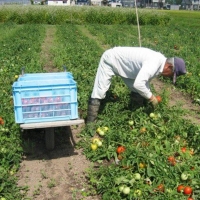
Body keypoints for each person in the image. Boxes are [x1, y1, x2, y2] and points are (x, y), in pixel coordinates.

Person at [86, 47, 186, 123]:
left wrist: (148, 95)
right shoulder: (154, 63)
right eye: (171, 75)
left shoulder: (159, 64)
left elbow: (143, 83)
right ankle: (90, 123)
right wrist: (151, 98)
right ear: (169, 66)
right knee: (100, 90)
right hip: (111, 59)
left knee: (137, 90)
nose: (168, 77)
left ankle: (135, 114)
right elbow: (139, 84)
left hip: (126, 67)